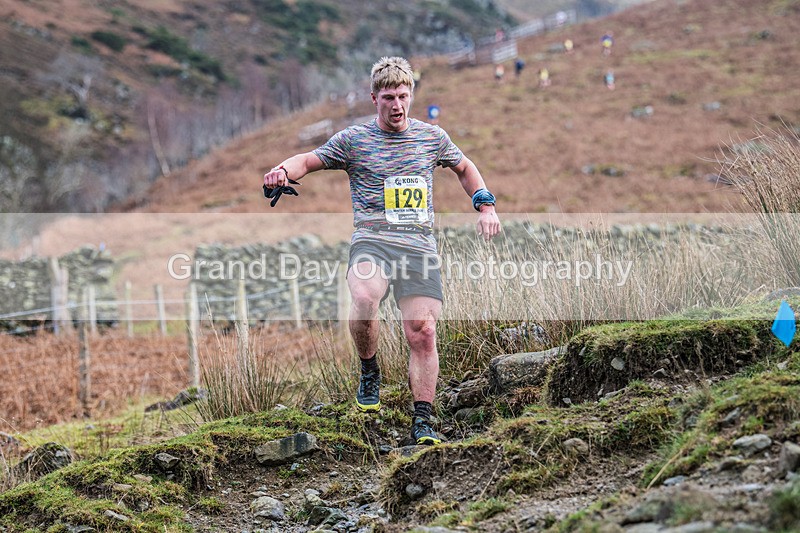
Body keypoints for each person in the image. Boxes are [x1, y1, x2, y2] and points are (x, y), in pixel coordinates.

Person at [262, 56, 501, 445]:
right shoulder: (354, 140)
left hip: (418, 247)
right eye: (388, 97)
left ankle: (422, 419)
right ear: (374, 98)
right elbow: (307, 159)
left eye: (403, 96)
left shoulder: (431, 137)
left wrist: (485, 204)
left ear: (412, 96)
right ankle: (369, 369)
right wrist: (282, 172)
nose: (397, 105)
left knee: (422, 331)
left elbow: (464, 167)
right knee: (364, 294)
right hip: (372, 241)